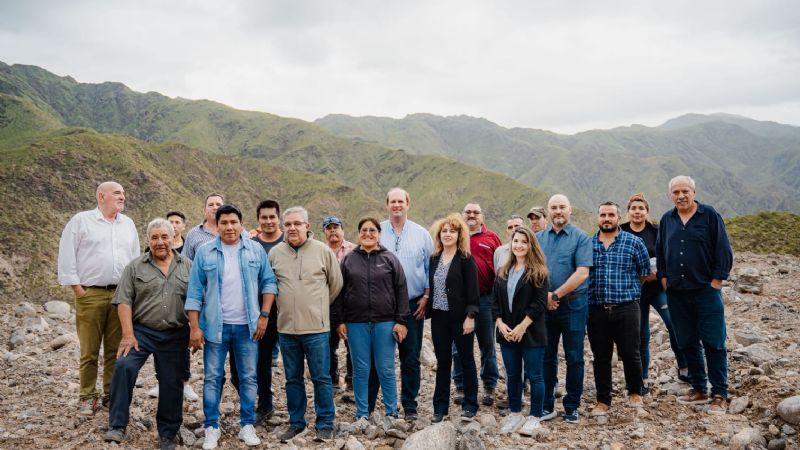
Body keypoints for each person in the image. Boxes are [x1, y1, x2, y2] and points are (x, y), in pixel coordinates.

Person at [185, 204, 278, 449]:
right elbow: (194, 292)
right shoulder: (205, 252)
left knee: (248, 377)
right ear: (217, 225)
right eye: (224, 222)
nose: (229, 227)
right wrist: (195, 328)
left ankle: (247, 425)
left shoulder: (255, 249)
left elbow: (269, 283)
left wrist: (264, 315)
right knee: (213, 378)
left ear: (240, 223)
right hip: (215, 327)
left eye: (233, 222)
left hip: (248, 327)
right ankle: (211, 427)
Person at [104, 219, 192, 450]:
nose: (160, 242)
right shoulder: (135, 267)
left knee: (172, 382)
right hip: (141, 331)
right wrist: (128, 335)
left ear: (174, 238)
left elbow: (197, 300)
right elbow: (123, 300)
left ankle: (167, 433)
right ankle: (117, 425)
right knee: (123, 366)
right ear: (148, 240)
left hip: (175, 334)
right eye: (155, 238)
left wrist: (196, 329)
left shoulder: (188, 266)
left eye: (165, 237)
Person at [57, 181, 140, 415]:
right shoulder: (82, 221)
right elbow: (66, 254)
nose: (122, 196)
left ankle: (110, 395)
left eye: (123, 193)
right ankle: (87, 395)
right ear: (101, 197)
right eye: (117, 193)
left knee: (116, 350)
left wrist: (133, 292)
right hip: (90, 293)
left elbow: (134, 259)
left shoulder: (128, 224)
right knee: (90, 350)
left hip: (120, 295)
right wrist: (77, 289)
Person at [656, 176, 733, 415]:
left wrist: (716, 282)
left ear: (693, 191)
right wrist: (665, 279)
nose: (681, 195)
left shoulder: (709, 215)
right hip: (677, 292)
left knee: (714, 342)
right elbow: (660, 252)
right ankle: (699, 388)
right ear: (671, 195)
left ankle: (719, 393)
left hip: (705, 291)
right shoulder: (667, 219)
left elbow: (723, 249)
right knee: (687, 341)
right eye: (676, 192)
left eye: (685, 191)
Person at [269, 206, 343, 442]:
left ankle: (325, 423)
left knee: (321, 377)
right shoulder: (275, 253)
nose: (292, 228)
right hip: (286, 329)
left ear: (307, 226)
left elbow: (336, 284)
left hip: (316, 329)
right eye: (288, 224)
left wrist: (316, 305)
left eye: (297, 223)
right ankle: (296, 423)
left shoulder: (322, 251)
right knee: (292, 378)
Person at [335, 217, 409, 420]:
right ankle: (362, 414)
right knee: (360, 370)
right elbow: (339, 292)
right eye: (364, 230)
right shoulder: (349, 259)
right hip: (355, 323)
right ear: (358, 234)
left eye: (372, 230)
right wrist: (340, 321)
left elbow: (401, 290)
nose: (368, 234)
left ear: (378, 234)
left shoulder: (390, 259)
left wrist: (401, 321)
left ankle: (391, 412)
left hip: (385, 323)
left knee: (385, 368)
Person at [587, 202, 651, 417]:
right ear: (598, 217)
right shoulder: (588, 244)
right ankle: (603, 399)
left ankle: (635, 391)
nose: (607, 218)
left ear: (618, 217)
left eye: (611, 215)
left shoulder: (634, 242)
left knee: (631, 353)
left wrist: (627, 291)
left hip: (627, 307)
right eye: (603, 214)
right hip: (596, 309)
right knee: (601, 356)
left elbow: (644, 273)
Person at [621, 193, 688, 391]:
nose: (637, 212)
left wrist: (657, 273)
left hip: (658, 287)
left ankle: (684, 367)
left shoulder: (656, 231)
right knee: (641, 334)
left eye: (641, 208)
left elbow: (668, 255)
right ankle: (642, 377)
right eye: (634, 208)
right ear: (628, 211)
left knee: (673, 323)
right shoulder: (621, 231)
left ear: (647, 212)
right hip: (635, 291)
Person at [378, 188, 434, 421]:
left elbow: (431, 267)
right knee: (382, 357)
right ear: (387, 204)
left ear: (408, 203)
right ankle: (383, 405)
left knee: (410, 357)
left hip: (413, 305)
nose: (397, 205)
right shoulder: (378, 232)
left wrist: (426, 296)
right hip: (382, 305)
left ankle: (410, 405)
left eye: (401, 201)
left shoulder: (422, 234)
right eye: (393, 201)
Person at [537, 194, 592, 424]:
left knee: (574, 357)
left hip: (573, 306)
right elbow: (531, 269)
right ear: (548, 212)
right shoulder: (538, 238)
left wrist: (556, 294)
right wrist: (544, 297)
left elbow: (582, 273)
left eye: (562, 207)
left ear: (570, 210)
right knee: (546, 357)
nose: (557, 211)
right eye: (553, 208)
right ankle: (547, 405)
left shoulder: (581, 237)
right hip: (545, 307)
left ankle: (572, 406)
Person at [229, 200, 283, 424]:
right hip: (246, 313)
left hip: (275, 314)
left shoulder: (287, 242)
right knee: (235, 368)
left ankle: (265, 406)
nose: (269, 221)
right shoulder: (249, 244)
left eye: (272, 217)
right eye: (264, 217)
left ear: (278, 218)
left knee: (262, 363)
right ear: (258, 220)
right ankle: (249, 401)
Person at [493, 227, 549, 436]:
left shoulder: (539, 271)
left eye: (524, 242)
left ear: (531, 245)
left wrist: (522, 326)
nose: (519, 245)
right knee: (513, 375)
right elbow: (495, 301)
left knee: (535, 375)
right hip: (507, 331)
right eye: (516, 241)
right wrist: (499, 323)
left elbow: (539, 303)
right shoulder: (503, 271)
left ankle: (534, 416)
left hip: (531, 331)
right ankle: (515, 412)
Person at [427, 213, 480, 422]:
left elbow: (473, 291)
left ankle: (470, 404)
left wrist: (470, 316)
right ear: (439, 235)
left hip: (460, 318)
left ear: (460, 235)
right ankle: (440, 408)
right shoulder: (434, 259)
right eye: (444, 231)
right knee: (443, 362)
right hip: (439, 317)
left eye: (452, 231)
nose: (448, 234)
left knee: (466, 360)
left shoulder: (466, 259)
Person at [452, 203, 502, 406]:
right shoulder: (455, 237)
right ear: (463, 215)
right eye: (468, 212)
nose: (471, 215)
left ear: (482, 217)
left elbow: (501, 269)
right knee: (459, 346)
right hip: (459, 301)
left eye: (476, 212)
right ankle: (461, 385)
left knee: (487, 344)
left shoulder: (492, 238)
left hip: (485, 299)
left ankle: (489, 385)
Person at [147, 210, 199, 402]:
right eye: (171, 222)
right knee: (160, 349)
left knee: (183, 349)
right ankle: (161, 382)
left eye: (178, 222)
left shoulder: (187, 249)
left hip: (184, 308)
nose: (175, 225)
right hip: (161, 309)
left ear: (183, 226)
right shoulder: (153, 249)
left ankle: (184, 383)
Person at [323, 215, 355, 391]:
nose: (333, 230)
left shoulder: (354, 250)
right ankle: (333, 380)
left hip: (350, 305)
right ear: (324, 232)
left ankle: (351, 381)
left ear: (342, 229)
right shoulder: (319, 250)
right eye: (329, 228)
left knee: (352, 345)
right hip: (326, 304)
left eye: (336, 227)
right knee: (328, 345)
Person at [182, 193, 225, 261]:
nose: (215, 207)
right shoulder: (193, 234)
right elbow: (185, 263)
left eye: (218, 204)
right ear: (204, 210)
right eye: (211, 205)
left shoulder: (233, 231)